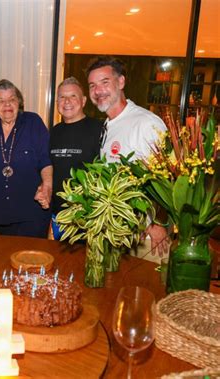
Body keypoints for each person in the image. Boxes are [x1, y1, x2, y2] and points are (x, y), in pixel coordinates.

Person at [86, 55, 169, 255]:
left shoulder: (146, 123)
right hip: (118, 231)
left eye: (105, 82)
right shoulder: (107, 124)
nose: (98, 91)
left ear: (121, 81)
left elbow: (169, 179)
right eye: (92, 85)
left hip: (146, 237)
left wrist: (157, 223)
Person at [0, 79, 52, 238]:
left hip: (32, 209)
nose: (7, 105)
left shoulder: (33, 121)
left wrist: (47, 185)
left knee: (30, 259)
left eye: (11, 100)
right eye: (1, 101)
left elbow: (45, 159)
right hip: (1, 212)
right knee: (5, 257)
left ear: (19, 102)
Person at [50, 77, 102, 240]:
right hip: (59, 215)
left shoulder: (99, 129)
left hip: (90, 215)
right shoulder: (53, 132)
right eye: (62, 97)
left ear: (84, 100)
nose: (67, 101)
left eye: (73, 96)